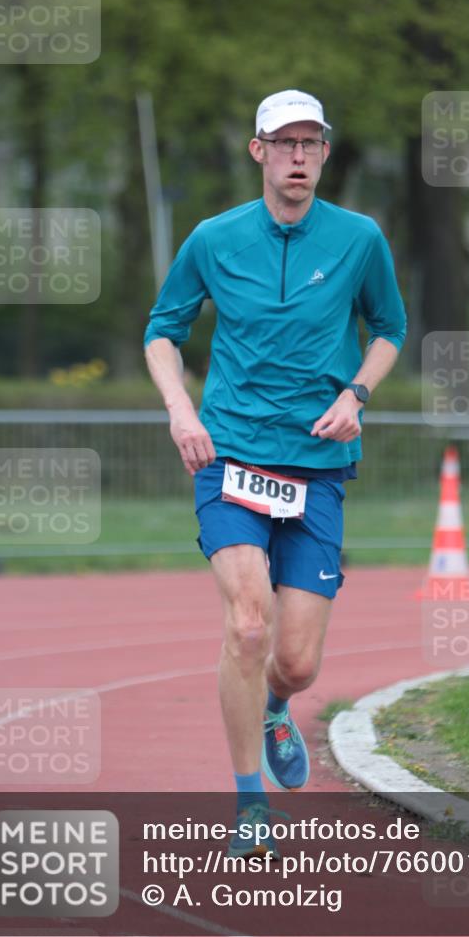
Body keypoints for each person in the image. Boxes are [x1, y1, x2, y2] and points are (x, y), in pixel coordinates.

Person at [144, 89, 407, 857]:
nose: (298, 156)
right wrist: (179, 410)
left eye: (311, 143)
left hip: (318, 465)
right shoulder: (213, 238)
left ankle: (273, 709)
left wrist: (356, 394)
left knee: (293, 661)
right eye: (283, 142)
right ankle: (249, 803)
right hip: (228, 454)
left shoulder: (359, 239)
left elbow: (388, 329)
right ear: (257, 151)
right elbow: (163, 332)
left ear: (325, 154)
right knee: (246, 624)